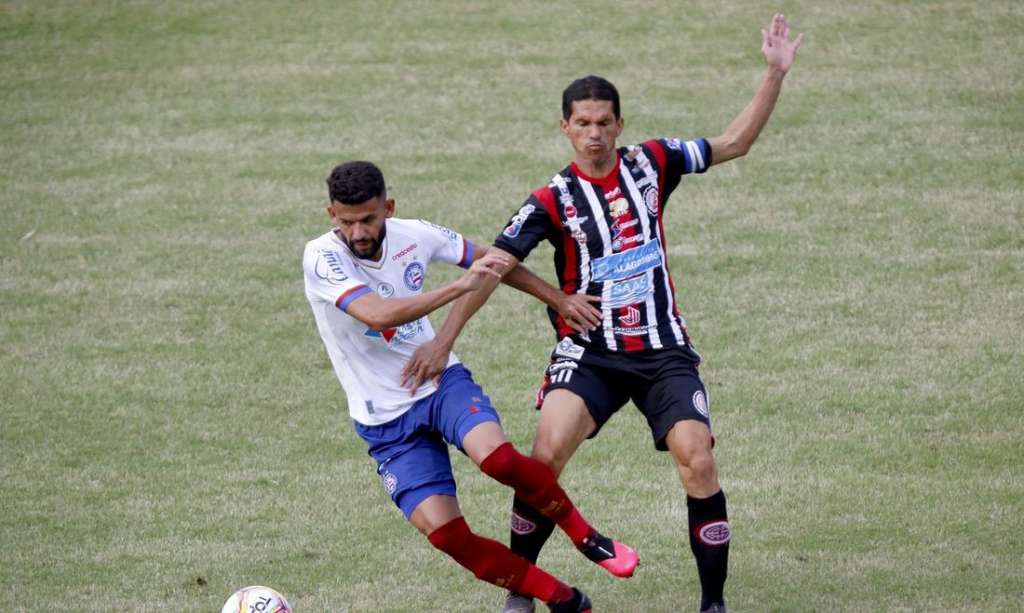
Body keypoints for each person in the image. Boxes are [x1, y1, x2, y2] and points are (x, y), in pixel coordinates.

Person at [402, 14, 803, 613]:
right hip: (589, 354)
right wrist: (448, 338)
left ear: (620, 124)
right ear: (564, 127)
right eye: (582, 124)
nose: (594, 134)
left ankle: (713, 603)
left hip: (664, 352)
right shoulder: (550, 200)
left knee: (698, 459)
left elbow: (734, 143)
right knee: (545, 457)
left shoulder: (654, 163)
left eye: (604, 123)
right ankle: (522, 592)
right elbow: (491, 267)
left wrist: (773, 74)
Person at [302, 160, 640, 613]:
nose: (359, 232)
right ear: (331, 215)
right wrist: (458, 288)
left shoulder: (415, 233)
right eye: (347, 221)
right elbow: (377, 314)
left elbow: (496, 260)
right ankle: (562, 598)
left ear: (389, 207)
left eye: (369, 219)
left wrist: (558, 299)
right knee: (446, 534)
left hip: (440, 383)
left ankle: (587, 537)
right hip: (384, 421)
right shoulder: (321, 257)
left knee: (498, 458)